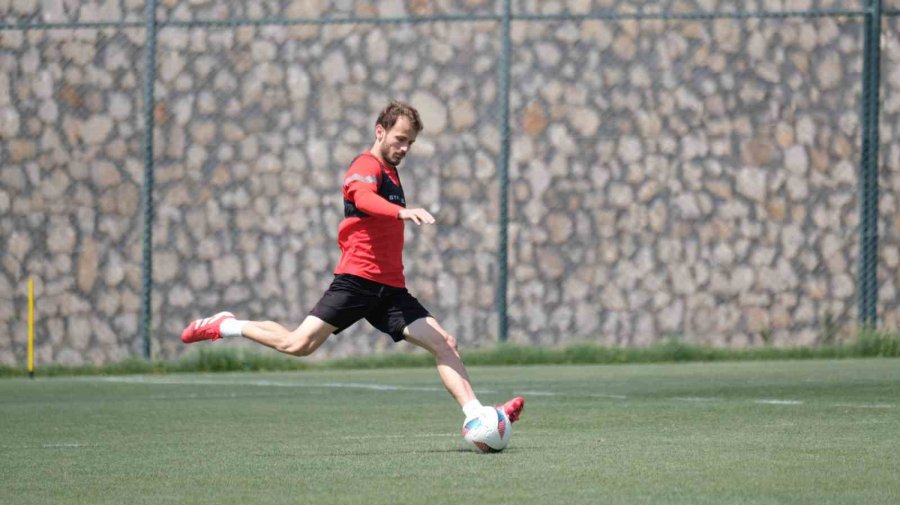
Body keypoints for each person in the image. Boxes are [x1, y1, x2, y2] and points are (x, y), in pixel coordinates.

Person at [180, 101, 524, 429]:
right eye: (400, 139)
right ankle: (227, 325)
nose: (405, 147)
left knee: (445, 342)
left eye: (410, 142)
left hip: (391, 290)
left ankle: (476, 417)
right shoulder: (365, 165)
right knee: (297, 345)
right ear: (380, 131)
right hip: (357, 281)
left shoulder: (391, 172)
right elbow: (362, 197)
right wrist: (402, 212)